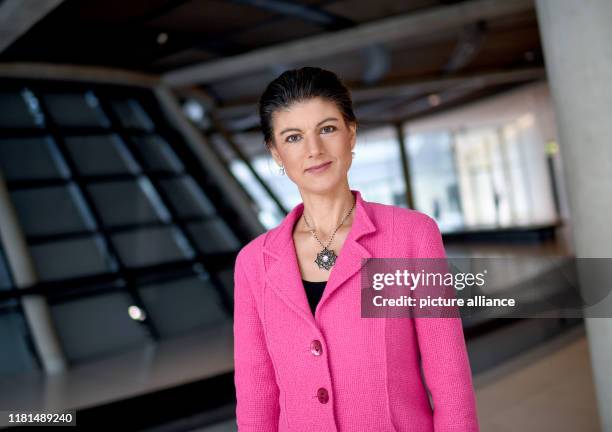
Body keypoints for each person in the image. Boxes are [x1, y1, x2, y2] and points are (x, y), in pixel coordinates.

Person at [233, 67, 479, 431]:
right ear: (276, 153)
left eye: (327, 128)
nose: (314, 150)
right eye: (293, 137)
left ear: (351, 133)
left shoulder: (412, 236)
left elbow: (449, 376)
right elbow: (256, 394)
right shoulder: (253, 262)